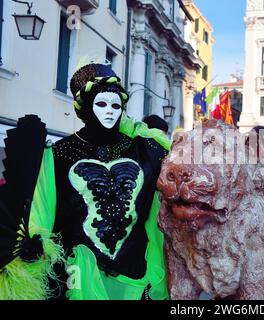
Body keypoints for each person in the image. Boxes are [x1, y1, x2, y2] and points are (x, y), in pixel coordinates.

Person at [0, 63, 171, 300]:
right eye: (101, 104)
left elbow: (159, 214)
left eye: (116, 105)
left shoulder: (148, 150)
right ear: (84, 107)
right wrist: (35, 242)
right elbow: (42, 210)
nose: (110, 111)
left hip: (133, 278)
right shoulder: (58, 153)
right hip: (76, 278)